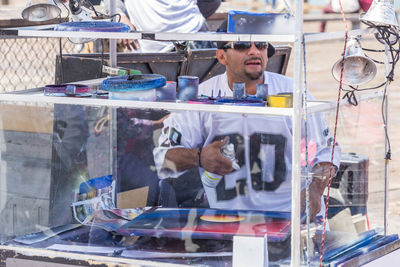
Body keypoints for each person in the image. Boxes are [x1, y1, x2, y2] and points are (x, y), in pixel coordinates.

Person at [153, 34, 341, 220]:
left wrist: (315, 190)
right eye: (242, 45)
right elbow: (162, 157)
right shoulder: (201, 96)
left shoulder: (294, 92)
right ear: (221, 56)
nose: (253, 51)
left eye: (260, 44)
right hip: (228, 220)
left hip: (291, 215)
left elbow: (327, 151)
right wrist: (199, 157)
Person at [104, 0, 220, 52]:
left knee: (199, 98)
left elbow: (212, 2)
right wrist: (120, 17)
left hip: (193, 39)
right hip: (151, 47)